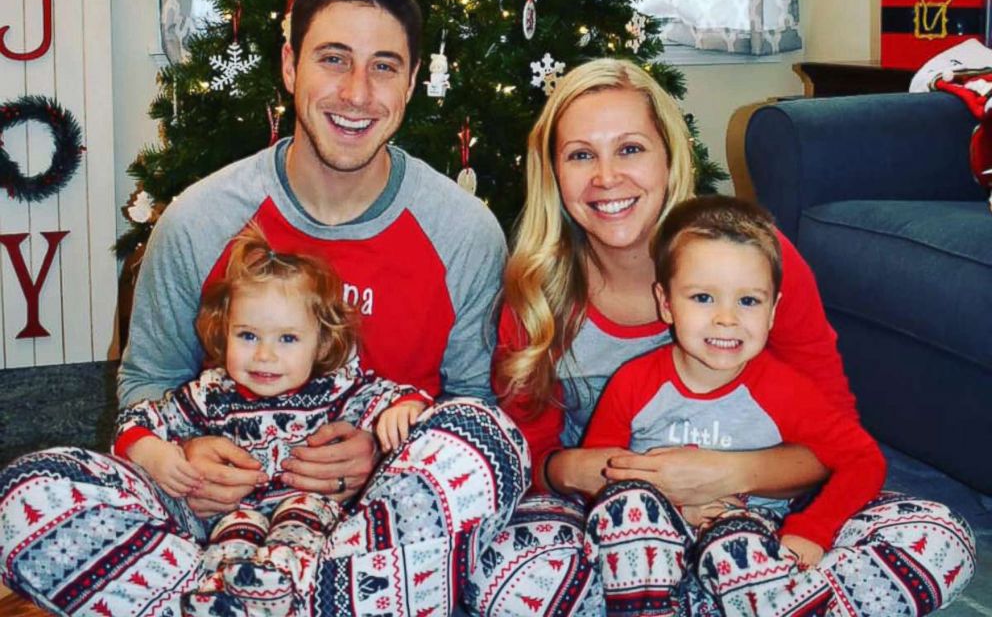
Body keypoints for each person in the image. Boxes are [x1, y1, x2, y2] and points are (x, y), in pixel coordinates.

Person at [0, 0, 528, 617]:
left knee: (489, 441)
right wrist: (186, 456)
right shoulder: (200, 218)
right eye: (333, 59)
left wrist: (386, 454)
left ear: (413, 83)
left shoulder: (463, 232)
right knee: (28, 497)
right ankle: (220, 595)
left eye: (384, 67)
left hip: (383, 536)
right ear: (289, 65)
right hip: (213, 519)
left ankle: (297, 598)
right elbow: (146, 383)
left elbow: (466, 411)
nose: (357, 93)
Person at [468, 58, 975, 617]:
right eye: (581, 154)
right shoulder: (537, 292)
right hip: (616, 528)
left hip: (764, 517)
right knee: (509, 581)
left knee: (938, 538)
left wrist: (729, 474)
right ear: (554, 172)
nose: (606, 177)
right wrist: (580, 471)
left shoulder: (758, 260)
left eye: (631, 149)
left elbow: (837, 440)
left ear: (670, 155)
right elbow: (527, 463)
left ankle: (734, 597)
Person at [582, 195, 887, 616]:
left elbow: (863, 459)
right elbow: (600, 475)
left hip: (749, 553)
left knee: (936, 536)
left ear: (774, 310)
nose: (727, 319)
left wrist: (811, 530)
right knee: (625, 511)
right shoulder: (634, 383)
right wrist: (670, 507)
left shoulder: (785, 389)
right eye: (703, 298)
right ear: (666, 303)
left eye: (748, 301)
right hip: (649, 555)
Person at [115, 224, 431, 616]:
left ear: (322, 342)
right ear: (224, 332)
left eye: (287, 339)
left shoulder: (335, 388)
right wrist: (148, 450)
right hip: (232, 512)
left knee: (301, 515)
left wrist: (403, 409)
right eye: (248, 336)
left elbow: (396, 397)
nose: (264, 356)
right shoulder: (211, 393)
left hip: (310, 513)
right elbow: (142, 417)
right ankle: (218, 598)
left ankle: (290, 596)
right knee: (232, 535)